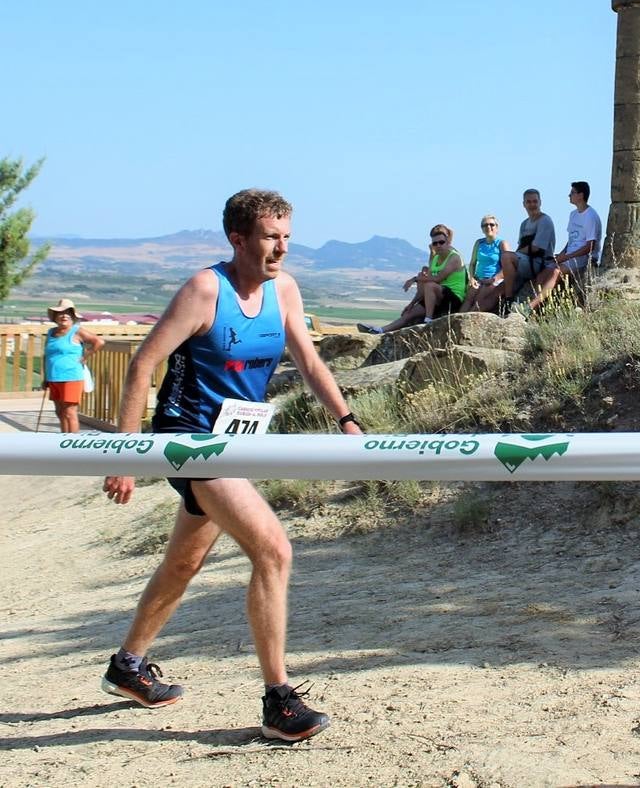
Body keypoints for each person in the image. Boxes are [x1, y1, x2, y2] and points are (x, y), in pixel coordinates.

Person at [101, 189, 362, 743]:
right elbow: (143, 362)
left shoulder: (285, 290)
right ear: (238, 239)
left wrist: (347, 419)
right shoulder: (204, 290)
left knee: (184, 563)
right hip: (187, 440)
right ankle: (279, 700)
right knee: (274, 549)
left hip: (233, 443)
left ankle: (128, 665)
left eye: (287, 236)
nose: (282, 249)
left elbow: (309, 362)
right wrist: (125, 454)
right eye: (271, 237)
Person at [357, 224, 466, 333]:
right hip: (437, 298)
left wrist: (415, 279)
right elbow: (426, 288)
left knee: (429, 284)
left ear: (448, 241)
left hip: (453, 299)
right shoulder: (435, 258)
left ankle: (428, 321)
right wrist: (411, 304)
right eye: (435, 243)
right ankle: (379, 330)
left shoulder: (454, 258)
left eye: (441, 242)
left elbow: (437, 279)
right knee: (409, 313)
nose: (438, 245)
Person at [42, 298, 104, 432]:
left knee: (70, 412)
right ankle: (64, 440)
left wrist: (85, 356)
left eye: (68, 313)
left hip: (71, 377)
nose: (64, 315)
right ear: (55, 316)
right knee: (60, 412)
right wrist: (45, 378)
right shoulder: (51, 332)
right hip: (54, 378)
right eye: (61, 313)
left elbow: (99, 342)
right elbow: (46, 356)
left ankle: (73, 444)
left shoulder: (77, 331)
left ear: (73, 317)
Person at [496, 189, 558, 316]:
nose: (532, 204)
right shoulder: (524, 224)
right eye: (529, 202)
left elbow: (536, 248)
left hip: (539, 263)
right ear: (524, 204)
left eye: (535, 201)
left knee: (506, 257)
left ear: (540, 202)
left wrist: (514, 255)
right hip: (524, 262)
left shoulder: (545, 221)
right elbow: (521, 247)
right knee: (492, 290)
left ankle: (509, 300)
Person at [459, 215, 510, 313]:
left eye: (492, 224)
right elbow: (473, 263)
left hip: (493, 279)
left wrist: (494, 279)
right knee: (469, 298)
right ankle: (456, 322)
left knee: (478, 300)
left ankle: (469, 323)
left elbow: (508, 267)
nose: (488, 227)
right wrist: (472, 278)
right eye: (485, 225)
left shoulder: (502, 244)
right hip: (479, 278)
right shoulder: (479, 243)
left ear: (497, 227)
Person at [554, 181, 602, 277]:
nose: (569, 195)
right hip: (569, 256)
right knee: (544, 268)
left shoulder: (590, 216)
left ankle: (541, 292)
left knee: (554, 272)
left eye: (572, 193)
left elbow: (590, 246)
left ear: (580, 195)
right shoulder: (573, 214)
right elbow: (571, 240)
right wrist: (561, 255)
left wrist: (567, 257)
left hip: (583, 258)